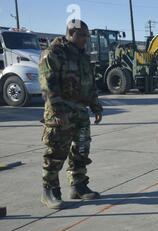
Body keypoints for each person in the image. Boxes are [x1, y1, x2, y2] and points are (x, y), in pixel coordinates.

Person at [39, 19, 103, 209]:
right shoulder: (53, 53)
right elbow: (48, 85)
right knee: (57, 151)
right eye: (83, 35)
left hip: (80, 111)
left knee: (81, 150)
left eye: (87, 36)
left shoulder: (82, 56)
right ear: (71, 32)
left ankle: (78, 185)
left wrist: (96, 106)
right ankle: (49, 190)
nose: (86, 39)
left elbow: (89, 83)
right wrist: (57, 111)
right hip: (61, 113)